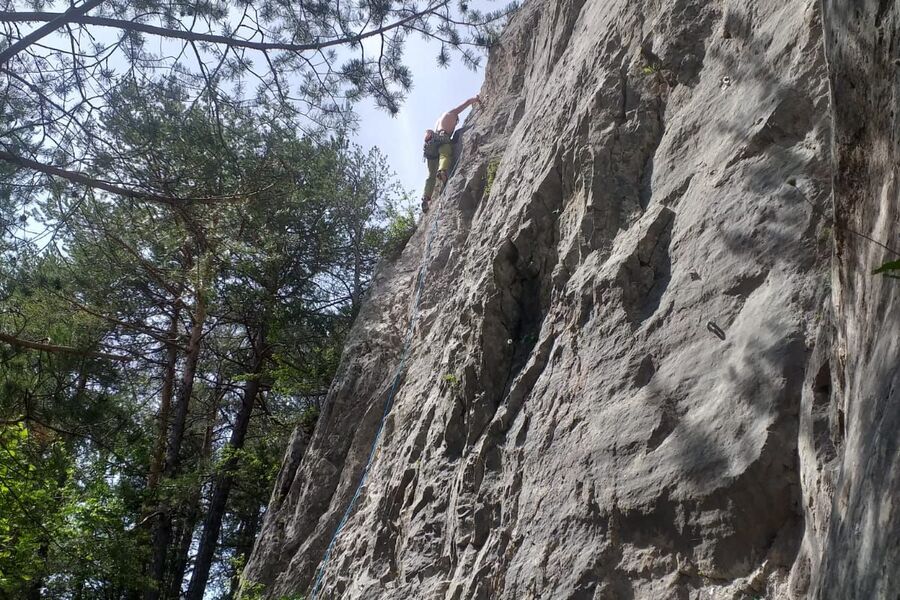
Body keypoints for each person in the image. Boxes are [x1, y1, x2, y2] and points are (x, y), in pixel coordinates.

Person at [421, 95, 480, 211]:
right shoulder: (452, 114)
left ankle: (425, 197)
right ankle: (442, 171)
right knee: (445, 153)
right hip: (442, 138)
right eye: (456, 123)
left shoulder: (438, 121)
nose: (456, 124)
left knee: (431, 175)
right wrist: (476, 98)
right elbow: (466, 103)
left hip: (429, 147)